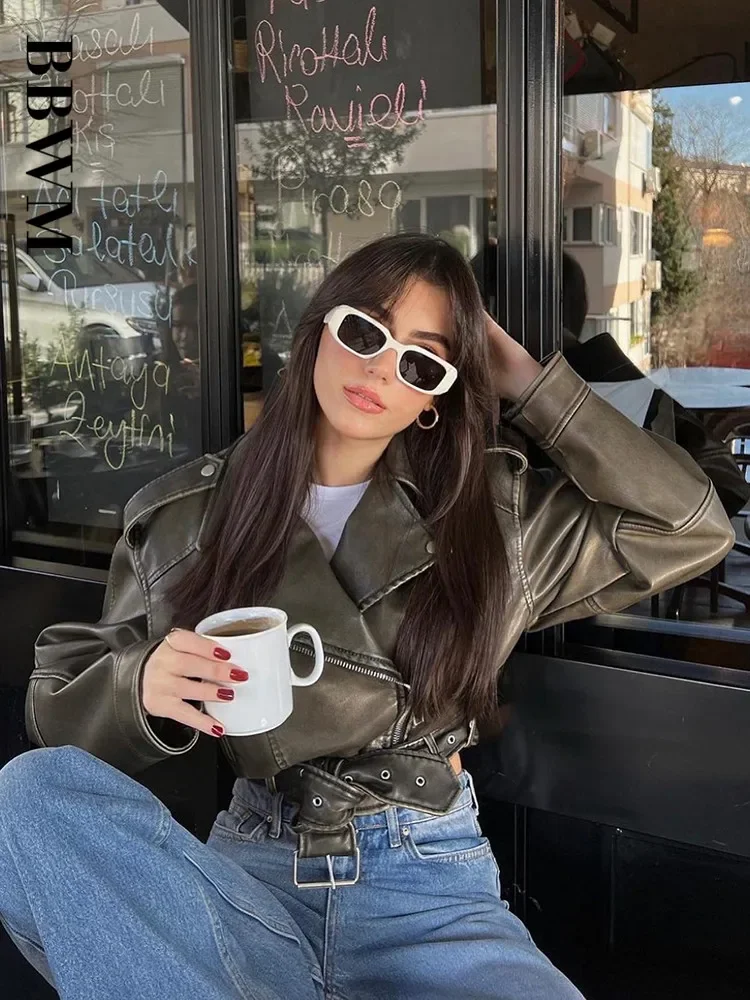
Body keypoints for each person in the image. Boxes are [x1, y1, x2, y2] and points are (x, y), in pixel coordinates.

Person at [0, 234, 734, 1000]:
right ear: (318, 330)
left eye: (422, 362)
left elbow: (688, 527)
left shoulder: (496, 518)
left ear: (435, 398)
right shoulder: (183, 519)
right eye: (365, 331)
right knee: (32, 793)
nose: (383, 367)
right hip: (253, 874)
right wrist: (139, 687)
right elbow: (56, 717)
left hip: (429, 889)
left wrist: (529, 383)